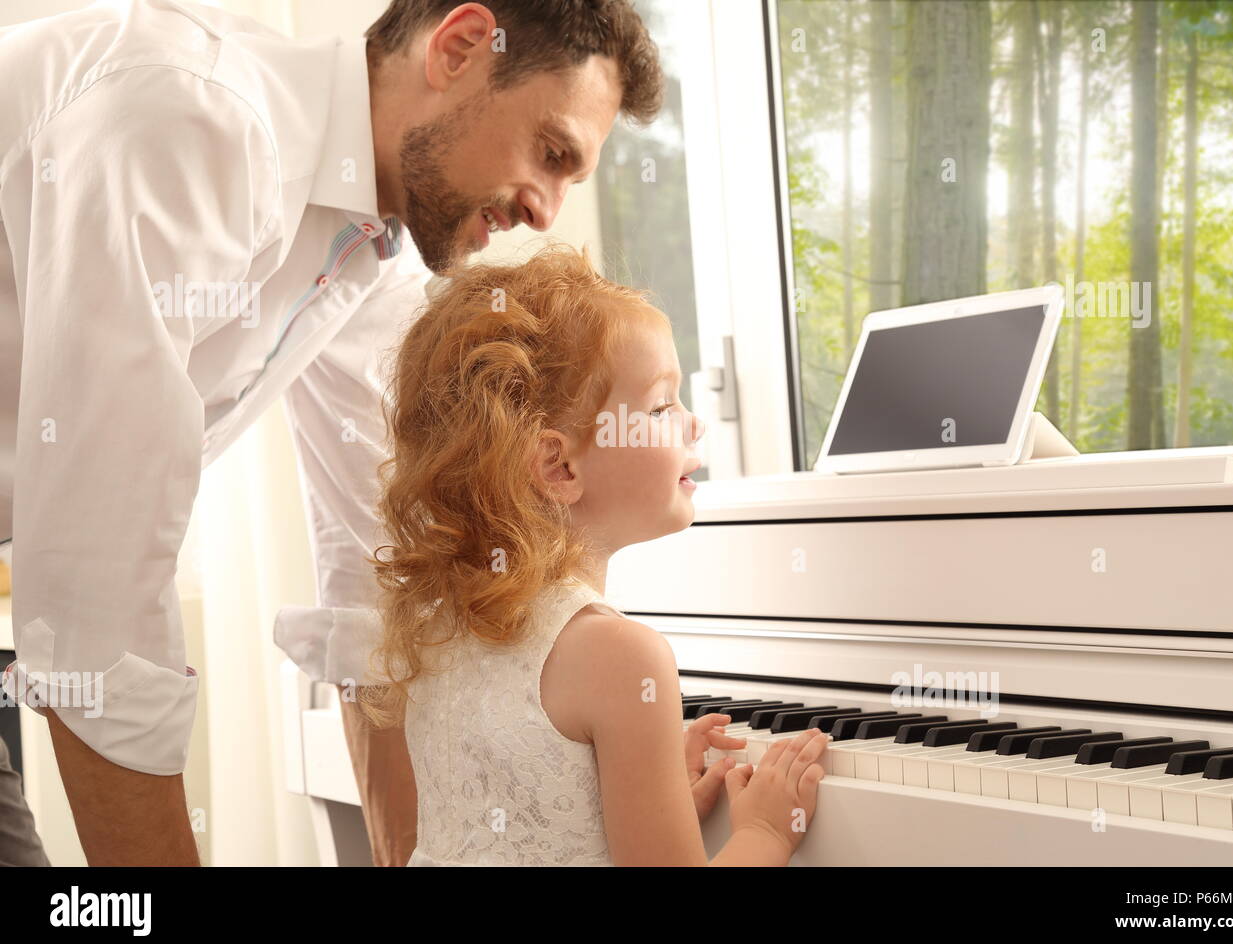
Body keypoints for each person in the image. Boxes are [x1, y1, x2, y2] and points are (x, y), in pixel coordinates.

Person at [0, 0, 662, 866]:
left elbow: (371, 594)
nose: (547, 209)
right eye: (552, 152)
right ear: (461, 47)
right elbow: (97, 587)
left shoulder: (370, 256)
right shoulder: (194, 120)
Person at [365, 244, 828, 865]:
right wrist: (764, 833)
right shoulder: (621, 657)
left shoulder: (440, 630)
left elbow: (523, 825)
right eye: (663, 406)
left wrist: (644, 790)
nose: (693, 425)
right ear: (558, 466)